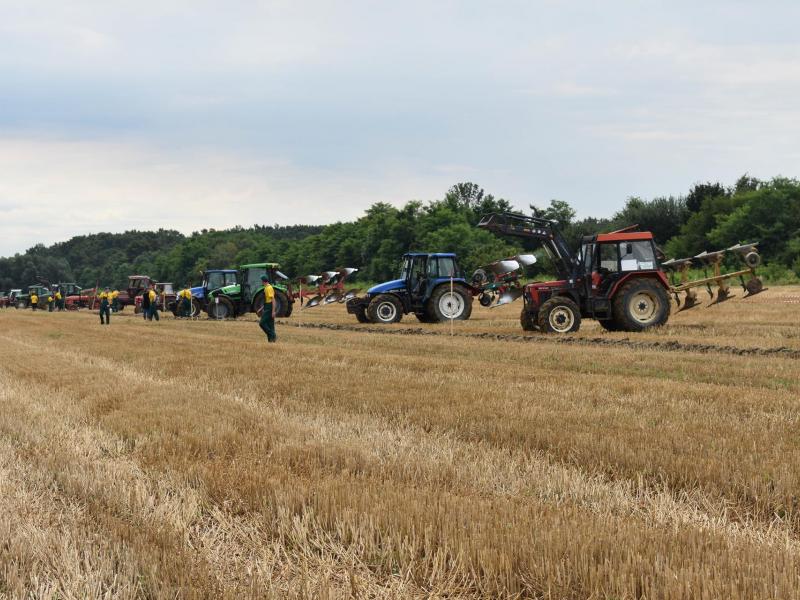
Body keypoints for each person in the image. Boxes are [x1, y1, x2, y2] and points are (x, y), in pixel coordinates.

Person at [258, 274, 277, 343]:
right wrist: (261, 308)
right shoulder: (266, 288)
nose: (261, 282)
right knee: (270, 324)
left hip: (269, 307)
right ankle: (271, 341)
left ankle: (272, 335)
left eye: (261, 281)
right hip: (267, 306)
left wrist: (273, 311)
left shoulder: (269, 288)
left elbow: (273, 299)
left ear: (263, 281)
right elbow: (267, 299)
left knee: (262, 323)